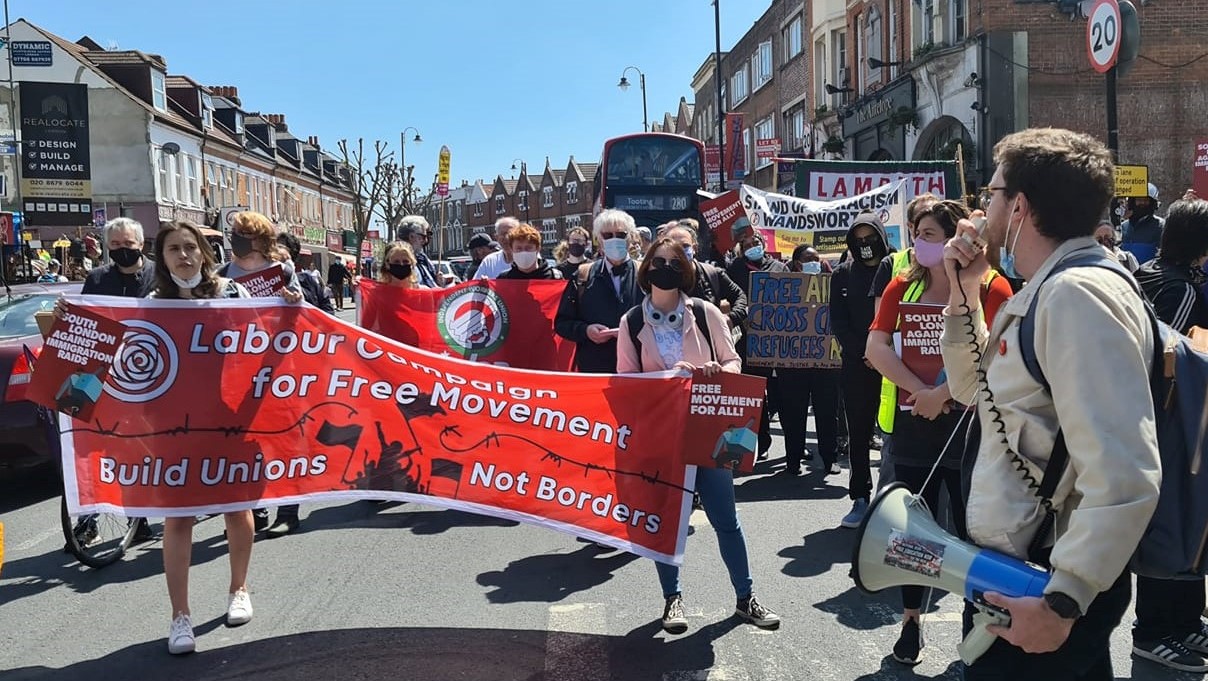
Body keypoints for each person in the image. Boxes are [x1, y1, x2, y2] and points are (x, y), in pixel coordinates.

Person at [942, 128, 1161, 680]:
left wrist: (1063, 599)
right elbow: (974, 391)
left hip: (1041, 585)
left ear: (1019, 207)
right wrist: (964, 290)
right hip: (1024, 572)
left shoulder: (1076, 295)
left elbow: (1124, 469)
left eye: (990, 193)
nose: (981, 208)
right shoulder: (1049, 287)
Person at [866, 200, 1012, 665]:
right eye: (916, 233)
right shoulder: (900, 287)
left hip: (971, 431)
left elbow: (996, 356)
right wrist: (919, 392)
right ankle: (912, 619)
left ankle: (976, 626)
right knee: (914, 530)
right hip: (914, 429)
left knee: (973, 533)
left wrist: (945, 393)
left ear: (956, 240)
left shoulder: (993, 287)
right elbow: (876, 345)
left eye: (930, 234)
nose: (919, 243)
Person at [616, 237, 780, 634]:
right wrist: (663, 381)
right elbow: (625, 383)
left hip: (711, 431)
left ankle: (746, 598)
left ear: (686, 270)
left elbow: (733, 361)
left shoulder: (706, 313)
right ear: (647, 268)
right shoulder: (632, 323)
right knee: (666, 519)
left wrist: (717, 371)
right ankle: (672, 600)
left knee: (726, 518)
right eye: (659, 261)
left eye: (675, 261)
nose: (666, 268)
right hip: (663, 437)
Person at [151, 220, 257, 655]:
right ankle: (180, 616)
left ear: (204, 253)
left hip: (228, 418)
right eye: (174, 248)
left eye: (190, 247)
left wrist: (293, 303)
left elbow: (268, 334)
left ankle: (239, 588)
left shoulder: (231, 294)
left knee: (236, 507)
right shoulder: (152, 303)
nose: (184, 255)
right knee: (178, 519)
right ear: (163, 257)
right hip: (176, 424)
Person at [1127, 197, 1208, 672]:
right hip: (1171, 424)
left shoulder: (1155, 273)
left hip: (1173, 424)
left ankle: (1183, 620)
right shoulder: (1177, 290)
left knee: (1189, 523)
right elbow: (1167, 360)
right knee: (1173, 524)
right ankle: (1154, 630)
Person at [77, 217, 158, 544]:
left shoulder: (159, 276)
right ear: (108, 247)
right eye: (116, 245)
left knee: (136, 451)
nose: (122, 250)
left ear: (141, 244)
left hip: (147, 375)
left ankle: (138, 518)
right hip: (101, 375)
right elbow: (82, 322)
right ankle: (87, 522)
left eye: (128, 244)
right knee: (89, 447)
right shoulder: (96, 279)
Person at [830, 212, 892, 527]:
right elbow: (838, 322)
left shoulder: (897, 268)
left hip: (896, 366)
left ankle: (893, 499)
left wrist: (884, 353)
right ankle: (860, 496)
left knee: (897, 435)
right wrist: (865, 352)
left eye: (871, 238)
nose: (865, 245)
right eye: (859, 240)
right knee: (859, 433)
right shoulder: (842, 274)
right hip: (857, 365)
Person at [555, 209, 643, 373]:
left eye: (621, 235)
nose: (614, 239)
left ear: (631, 238)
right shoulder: (582, 276)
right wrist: (586, 331)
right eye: (607, 235)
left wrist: (632, 330)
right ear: (599, 240)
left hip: (639, 368)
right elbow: (562, 323)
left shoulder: (645, 274)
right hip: (595, 368)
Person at [725, 227, 787, 459]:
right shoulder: (735, 270)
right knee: (755, 395)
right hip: (749, 342)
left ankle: (794, 446)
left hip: (777, 344)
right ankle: (759, 441)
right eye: (747, 244)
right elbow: (729, 299)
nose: (753, 246)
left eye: (756, 242)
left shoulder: (779, 268)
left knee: (780, 394)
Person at [498, 224, 563, 280]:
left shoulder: (554, 277)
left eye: (528, 248)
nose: (523, 252)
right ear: (512, 250)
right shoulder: (504, 280)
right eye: (519, 248)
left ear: (537, 249)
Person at [1120, 183, 1164, 264]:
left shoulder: (1161, 225)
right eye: (1139, 200)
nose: (1142, 203)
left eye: (1146, 200)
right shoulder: (1123, 227)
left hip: (1150, 274)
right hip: (1127, 274)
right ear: (1133, 202)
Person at [398, 216, 439, 288]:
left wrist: (439, 282)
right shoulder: (399, 262)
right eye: (422, 237)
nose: (425, 241)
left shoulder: (423, 260)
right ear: (411, 236)